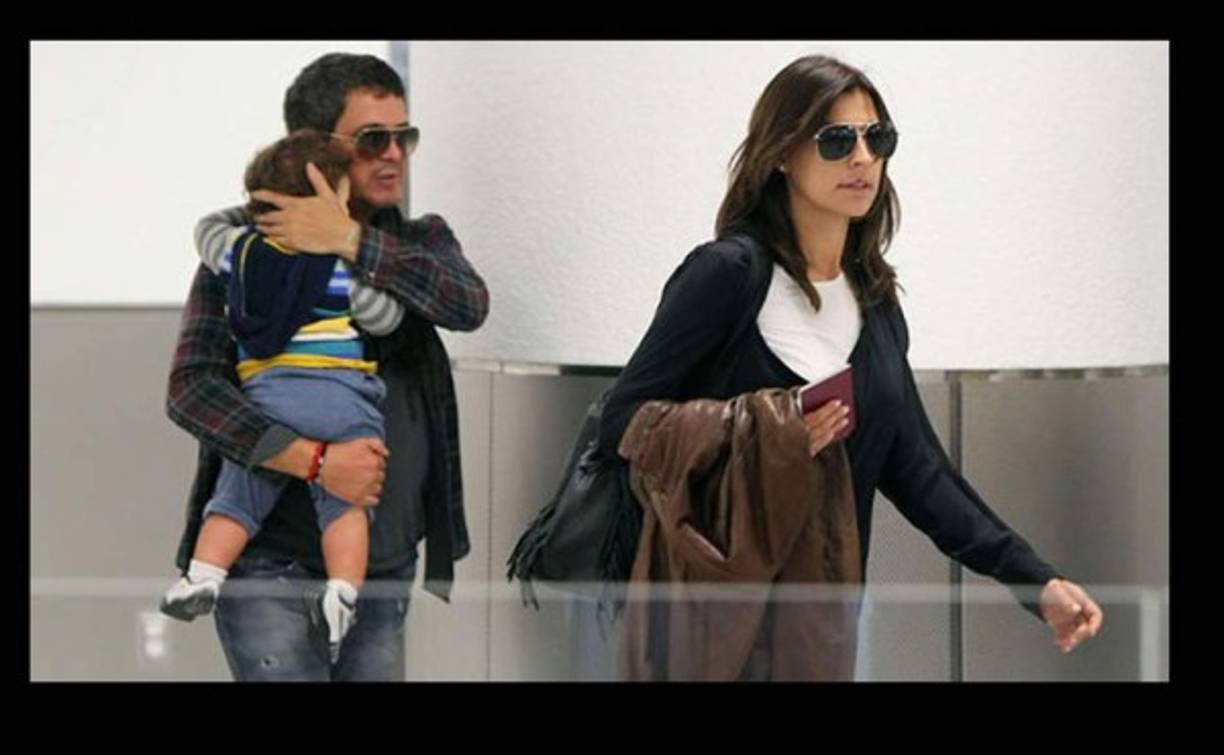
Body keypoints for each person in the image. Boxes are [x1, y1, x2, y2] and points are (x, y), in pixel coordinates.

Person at [596, 54, 1103, 679]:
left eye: (876, 137)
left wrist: (1036, 581)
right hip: (710, 620)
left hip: (819, 626)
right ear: (781, 153)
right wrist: (768, 430)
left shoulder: (877, 305)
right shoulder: (727, 276)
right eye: (836, 140)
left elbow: (922, 474)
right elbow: (622, 420)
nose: (862, 158)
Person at [166, 52, 489, 681]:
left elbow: (467, 304)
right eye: (373, 139)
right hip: (268, 561)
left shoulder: (418, 241)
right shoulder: (246, 253)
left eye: (405, 137)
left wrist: (347, 241)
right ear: (316, 148)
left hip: (383, 563)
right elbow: (192, 390)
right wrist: (312, 461)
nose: (393, 153)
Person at [160, 130, 402, 663]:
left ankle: (202, 575)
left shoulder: (238, 256)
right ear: (331, 200)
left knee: (236, 495)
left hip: (270, 399)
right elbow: (386, 316)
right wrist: (339, 235)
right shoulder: (341, 267)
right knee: (346, 506)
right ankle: (343, 592)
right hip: (342, 399)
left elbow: (205, 232)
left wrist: (264, 212)